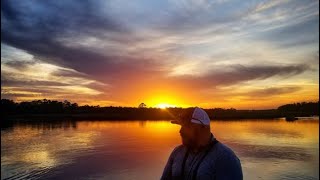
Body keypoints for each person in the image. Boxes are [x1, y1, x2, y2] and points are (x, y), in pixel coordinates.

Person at [161, 107, 243, 180]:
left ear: (203, 128)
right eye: (181, 126)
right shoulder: (177, 152)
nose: (181, 131)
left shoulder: (226, 158)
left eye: (187, 126)